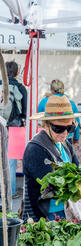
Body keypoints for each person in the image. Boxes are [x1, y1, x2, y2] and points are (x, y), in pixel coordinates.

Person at [22, 95, 81, 222]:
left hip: (67, 211)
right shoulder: (35, 149)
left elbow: (77, 170)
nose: (65, 133)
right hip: (44, 217)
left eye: (70, 128)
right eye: (59, 128)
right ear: (45, 124)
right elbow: (50, 186)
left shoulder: (65, 144)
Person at [0, 61, 27, 199]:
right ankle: (10, 192)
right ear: (17, 72)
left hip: (0, 125)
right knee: (11, 161)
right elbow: (25, 112)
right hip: (15, 127)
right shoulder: (20, 88)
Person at [37, 79, 80, 145]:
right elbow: (77, 122)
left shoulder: (43, 102)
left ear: (51, 90)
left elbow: (38, 122)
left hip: (49, 137)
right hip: (66, 138)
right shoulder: (70, 103)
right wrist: (76, 138)